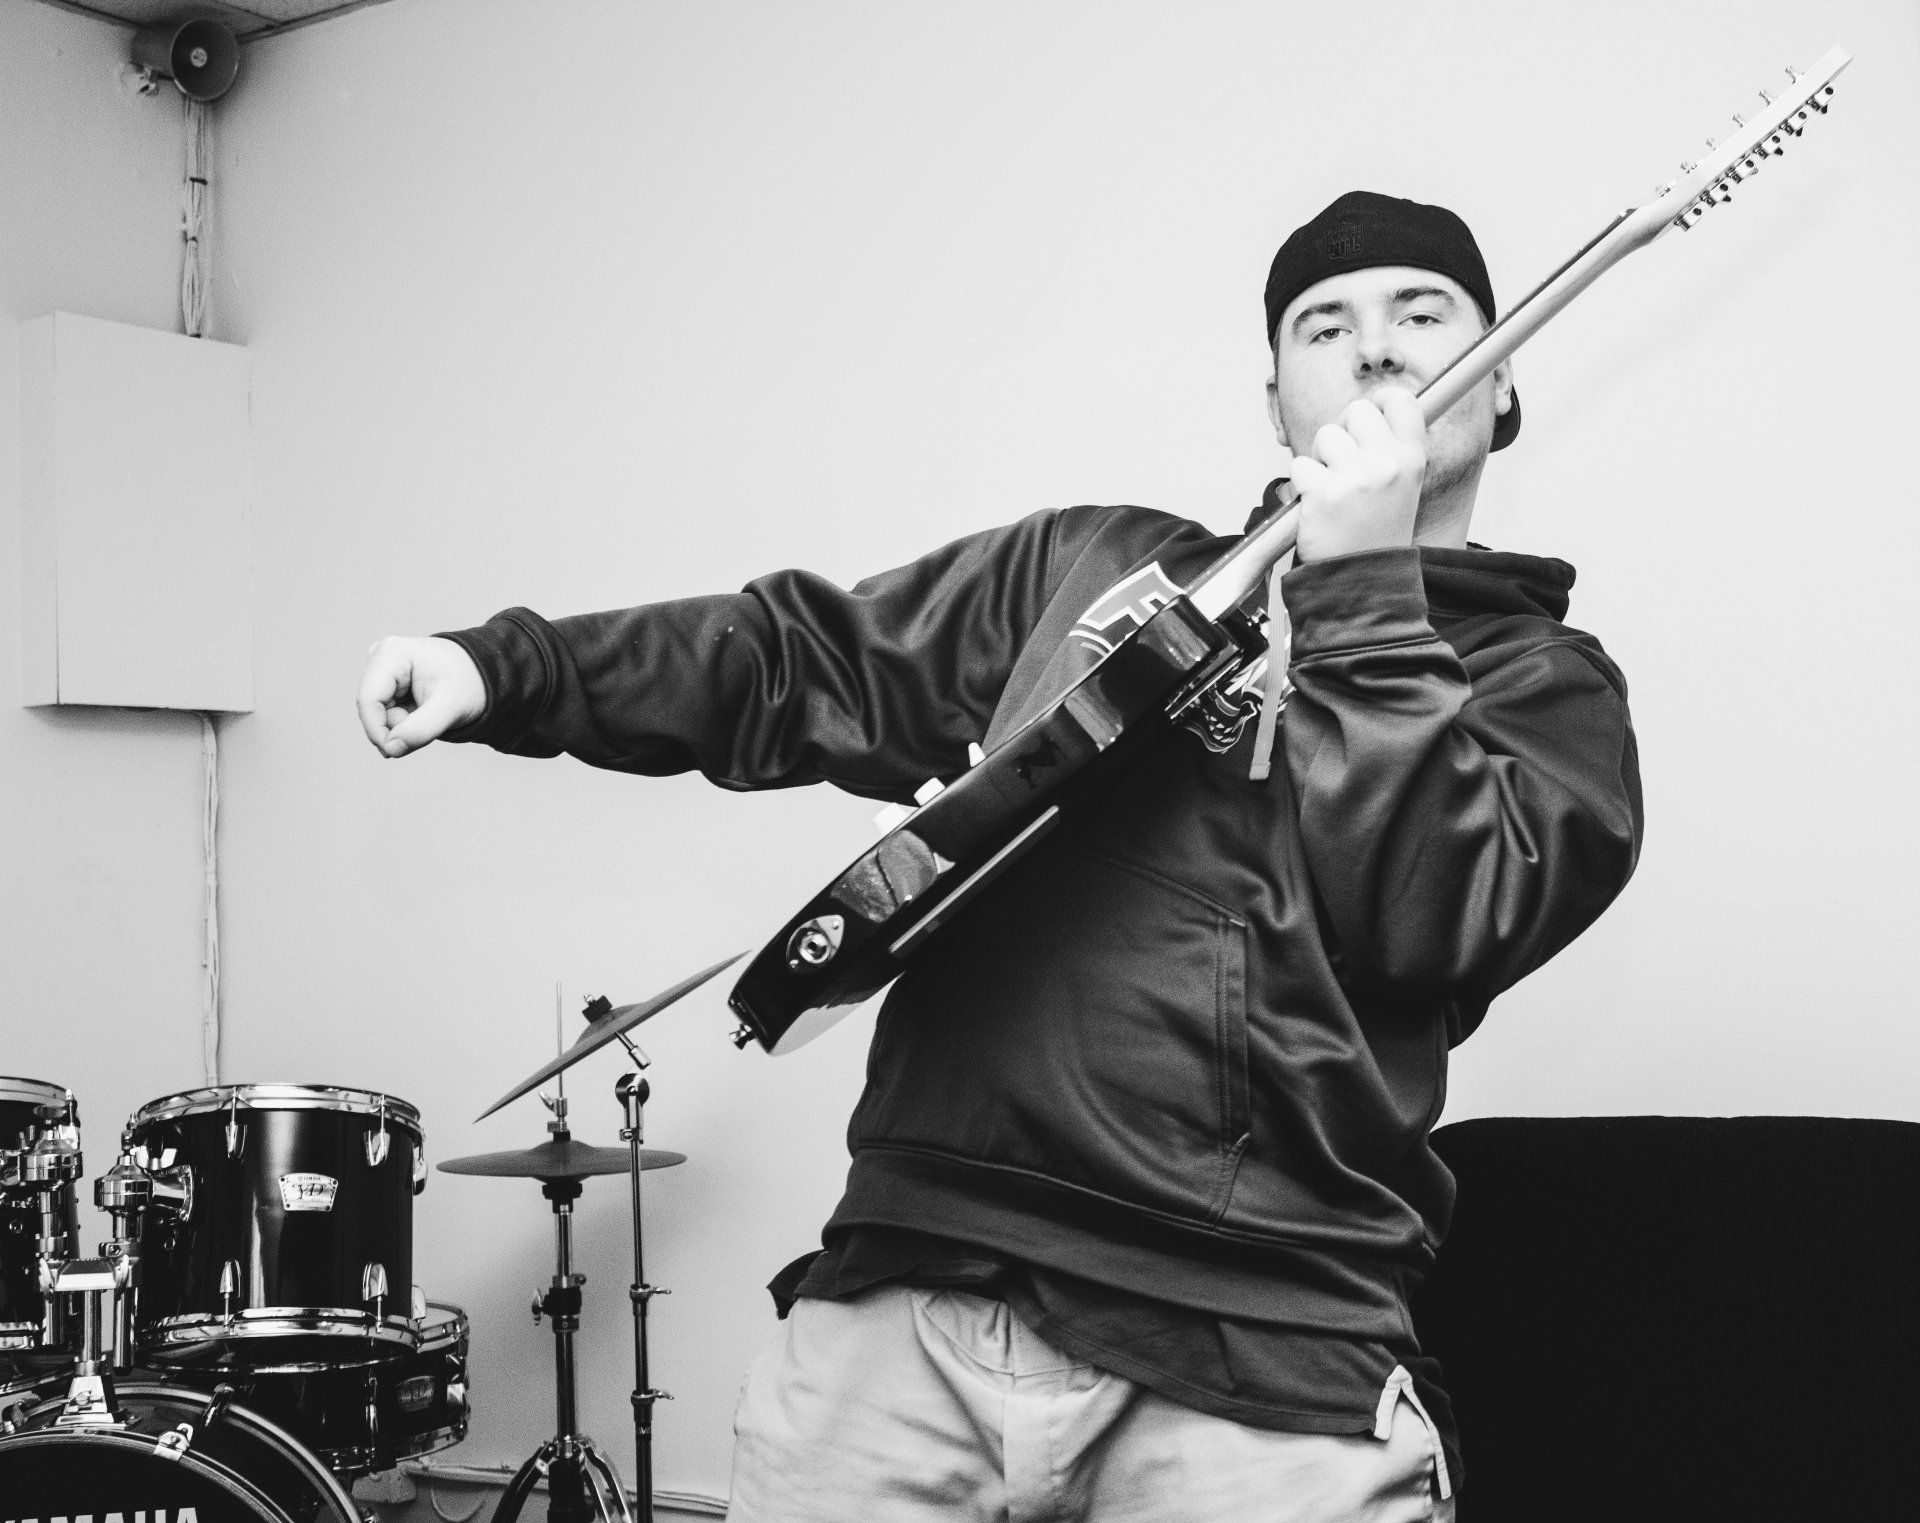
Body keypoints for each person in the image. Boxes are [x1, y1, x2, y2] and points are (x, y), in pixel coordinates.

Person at [358, 191, 1642, 1523]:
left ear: (1501, 393)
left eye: (1421, 315)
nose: (1374, 351)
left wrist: (1362, 591)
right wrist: (501, 671)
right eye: (1326, 326)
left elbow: (1430, 920)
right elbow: (801, 660)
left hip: (1264, 1362)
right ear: (1278, 407)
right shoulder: (1092, 567)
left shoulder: (1548, 696)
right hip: (908, 1301)